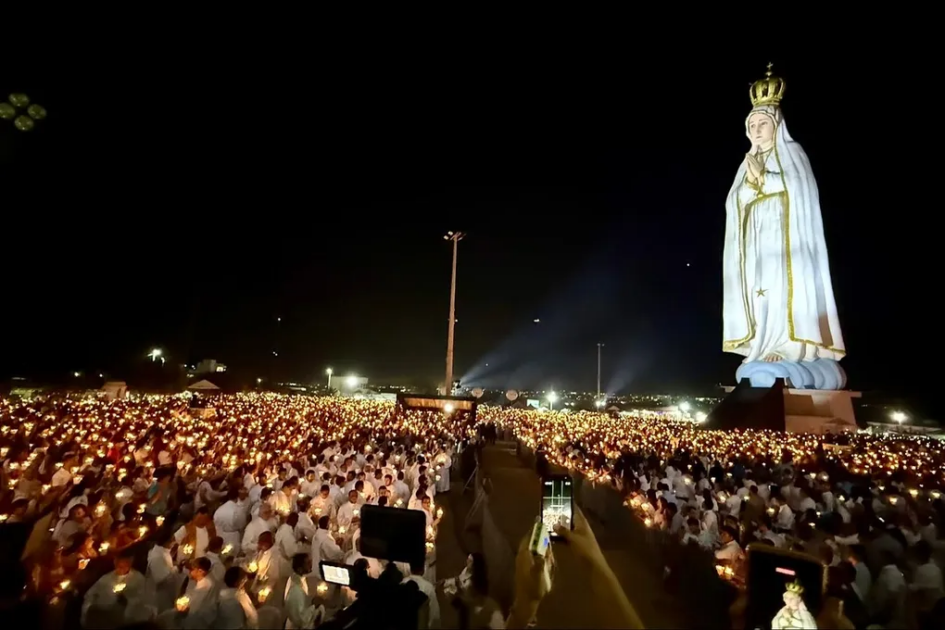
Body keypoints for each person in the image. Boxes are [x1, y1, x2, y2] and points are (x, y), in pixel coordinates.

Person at [721, 65, 845, 376]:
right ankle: (763, 344)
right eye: (752, 125)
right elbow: (734, 201)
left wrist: (764, 179)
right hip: (758, 241)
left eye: (763, 123)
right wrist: (750, 185)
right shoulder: (747, 162)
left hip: (786, 238)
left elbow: (800, 189)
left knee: (783, 288)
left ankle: (790, 346)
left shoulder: (792, 153)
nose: (757, 130)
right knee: (759, 290)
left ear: (777, 124)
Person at [81, 551, 149, 628]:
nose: (121, 569)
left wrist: (126, 599)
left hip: (124, 619)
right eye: (119, 566)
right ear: (115, 563)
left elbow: (143, 598)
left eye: (124, 566)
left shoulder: (138, 579)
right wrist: (89, 608)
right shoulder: (106, 578)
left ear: (129, 564)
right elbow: (90, 594)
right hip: (103, 616)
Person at [284, 553, 325, 629]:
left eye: (310, 562)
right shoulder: (295, 589)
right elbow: (301, 619)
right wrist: (314, 605)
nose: (311, 565)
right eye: (308, 563)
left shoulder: (299, 579)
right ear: (300, 569)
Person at [404, 561, 439, 629]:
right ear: (423, 570)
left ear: (410, 569)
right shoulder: (428, 587)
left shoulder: (402, 583)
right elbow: (434, 614)